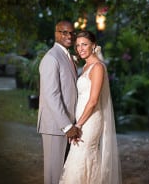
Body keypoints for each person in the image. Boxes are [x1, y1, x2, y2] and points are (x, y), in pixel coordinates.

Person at [59, 30, 122, 184]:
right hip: (82, 118)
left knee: (82, 155)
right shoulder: (86, 66)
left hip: (90, 120)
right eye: (78, 45)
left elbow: (93, 100)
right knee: (79, 157)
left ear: (93, 46)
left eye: (84, 45)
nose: (80, 48)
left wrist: (78, 125)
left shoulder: (98, 67)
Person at [37, 20, 82, 184]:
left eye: (71, 32)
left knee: (63, 173)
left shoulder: (67, 55)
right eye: (64, 32)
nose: (69, 36)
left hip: (68, 124)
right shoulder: (51, 58)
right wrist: (67, 125)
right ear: (56, 34)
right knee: (53, 174)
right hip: (56, 125)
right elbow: (51, 95)